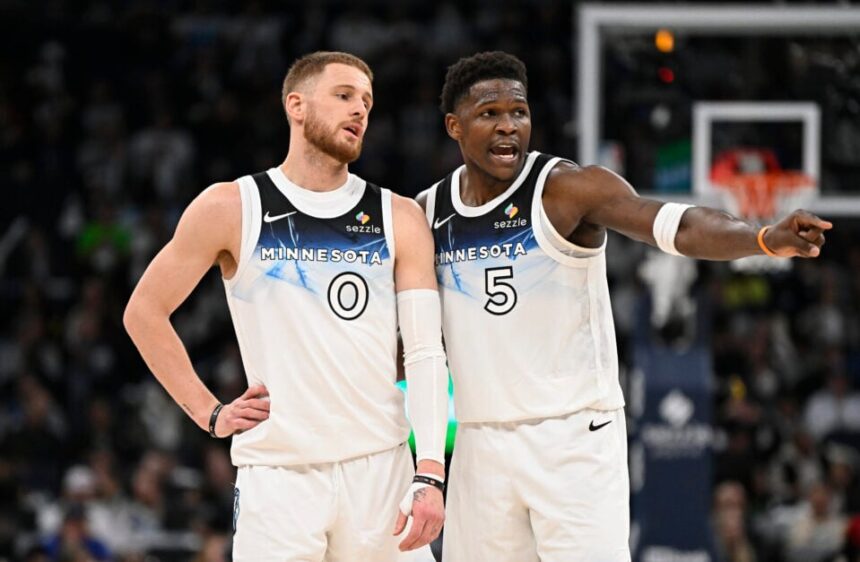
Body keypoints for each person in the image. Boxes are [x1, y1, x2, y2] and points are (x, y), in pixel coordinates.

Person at [418, 51, 832, 562]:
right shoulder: (426, 214)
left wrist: (762, 237)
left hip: (572, 436)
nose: (508, 127)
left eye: (518, 112)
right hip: (480, 443)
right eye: (489, 115)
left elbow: (675, 224)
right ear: (454, 126)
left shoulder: (566, 189)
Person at [124, 51, 448, 562]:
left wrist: (429, 469)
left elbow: (428, 351)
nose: (360, 110)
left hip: (381, 471)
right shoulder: (231, 206)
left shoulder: (398, 216)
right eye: (344, 96)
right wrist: (210, 414)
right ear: (296, 106)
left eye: (366, 101)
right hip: (278, 477)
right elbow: (143, 313)